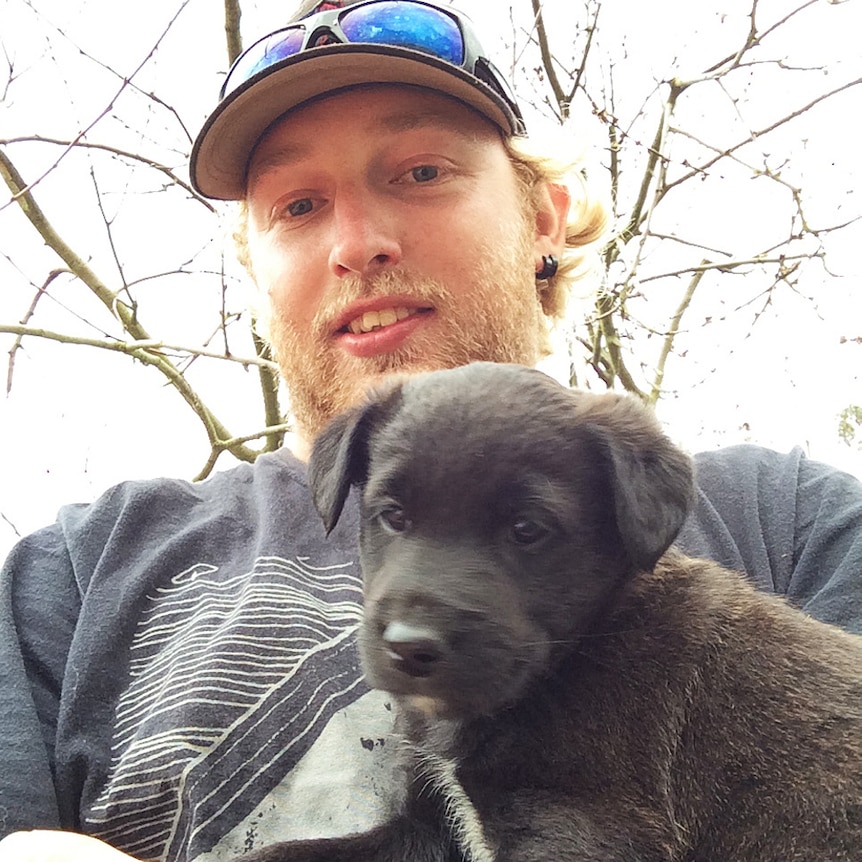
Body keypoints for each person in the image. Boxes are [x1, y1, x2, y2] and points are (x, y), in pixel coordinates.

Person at [1, 1, 860, 860]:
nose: (359, 243)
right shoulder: (71, 577)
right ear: (252, 270)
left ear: (544, 219)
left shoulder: (789, 522)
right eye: (298, 204)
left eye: (419, 173)